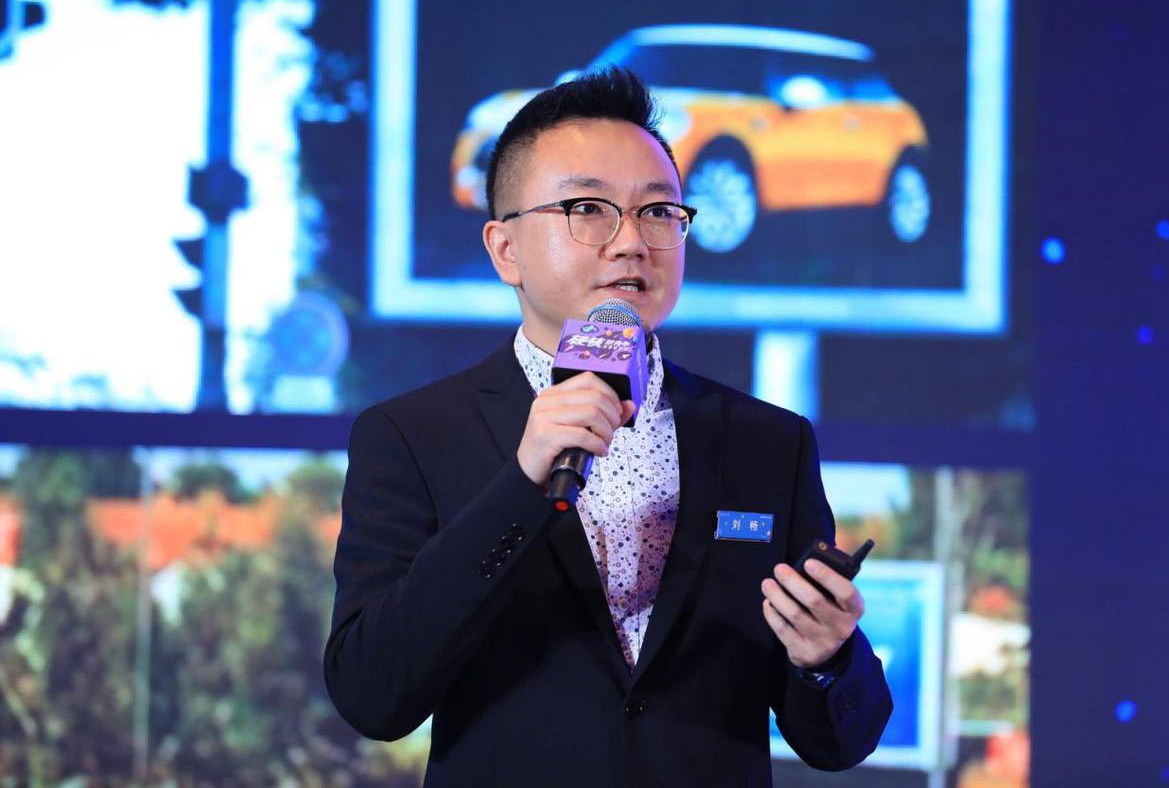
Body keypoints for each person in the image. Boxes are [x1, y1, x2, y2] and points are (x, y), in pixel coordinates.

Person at [324, 67, 892, 787]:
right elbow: (372, 693)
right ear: (505, 249)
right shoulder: (411, 435)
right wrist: (521, 485)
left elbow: (840, 743)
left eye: (658, 211)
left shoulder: (769, 442)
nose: (631, 242)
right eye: (587, 208)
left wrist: (827, 658)